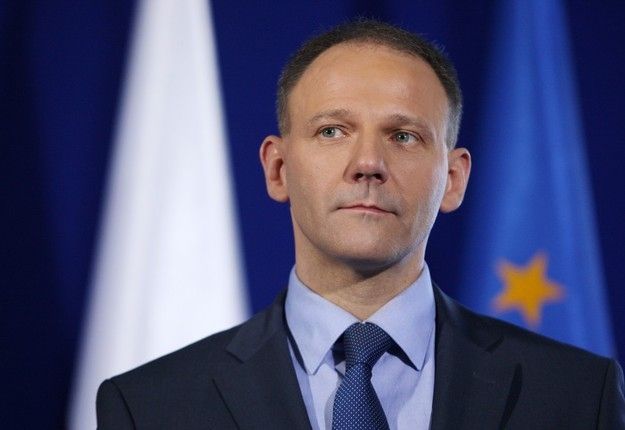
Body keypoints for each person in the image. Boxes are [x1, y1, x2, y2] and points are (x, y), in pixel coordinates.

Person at [96, 19, 625, 429]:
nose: (368, 163)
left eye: (403, 136)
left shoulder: (577, 394)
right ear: (278, 169)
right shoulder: (151, 405)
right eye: (332, 131)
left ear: (454, 178)